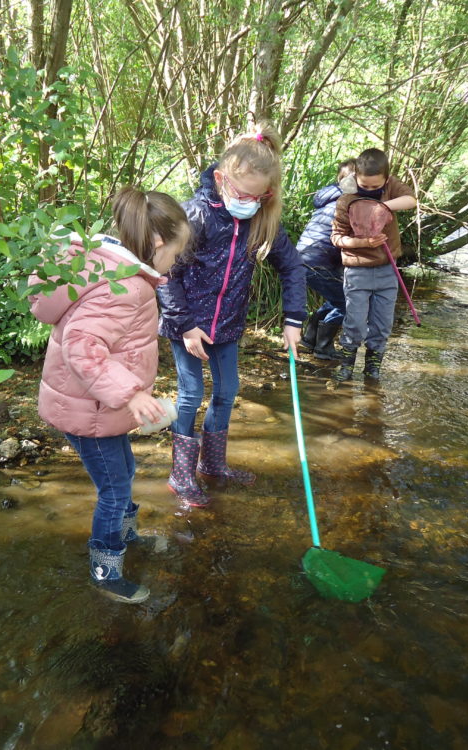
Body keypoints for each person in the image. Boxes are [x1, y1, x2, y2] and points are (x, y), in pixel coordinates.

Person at [29, 187, 190, 604]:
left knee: (123, 472)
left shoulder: (103, 268)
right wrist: (132, 394)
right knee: (114, 487)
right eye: (175, 252)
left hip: (95, 406)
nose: (175, 261)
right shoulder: (129, 288)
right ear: (157, 244)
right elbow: (82, 344)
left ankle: (126, 533)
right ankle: (105, 570)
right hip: (92, 409)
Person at [158, 123, 307, 507]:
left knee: (227, 392)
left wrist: (293, 320)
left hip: (227, 326)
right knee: (191, 394)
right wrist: (186, 326)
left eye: (259, 196)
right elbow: (165, 275)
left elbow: (292, 268)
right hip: (188, 323)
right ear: (221, 179)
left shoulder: (261, 218)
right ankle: (181, 475)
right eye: (242, 194)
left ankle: (213, 464)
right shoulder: (196, 215)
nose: (249, 201)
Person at [330, 147, 417, 381]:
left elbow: (411, 200)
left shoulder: (390, 188)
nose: (369, 191)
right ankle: (347, 365)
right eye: (364, 186)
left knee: (382, 324)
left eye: (374, 187)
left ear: (386, 179)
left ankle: (372, 368)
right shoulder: (346, 199)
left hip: (387, 269)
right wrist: (364, 242)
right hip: (357, 271)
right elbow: (336, 238)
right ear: (355, 177)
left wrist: (384, 206)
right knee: (356, 322)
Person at [296, 159, 356, 361]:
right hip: (318, 260)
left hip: (304, 258)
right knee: (348, 303)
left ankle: (310, 338)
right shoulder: (349, 201)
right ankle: (323, 347)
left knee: (337, 298)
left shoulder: (329, 197)